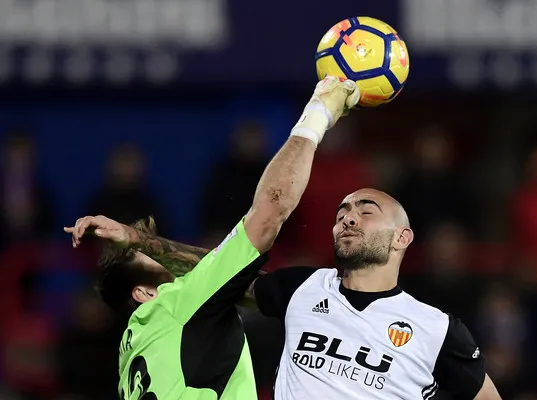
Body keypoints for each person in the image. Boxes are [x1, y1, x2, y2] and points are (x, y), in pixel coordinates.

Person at [63, 76, 361, 400]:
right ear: (145, 292)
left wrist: (137, 240)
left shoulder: (133, 357)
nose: (168, 257)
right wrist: (318, 113)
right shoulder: (176, 304)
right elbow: (270, 210)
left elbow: (212, 270)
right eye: (152, 258)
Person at [251, 188, 502, 399]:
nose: (348, 219)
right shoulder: (303, 286)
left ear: (402, 238)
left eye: (366, 212)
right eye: (341, 215)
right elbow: (221, 278)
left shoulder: (436, 329)